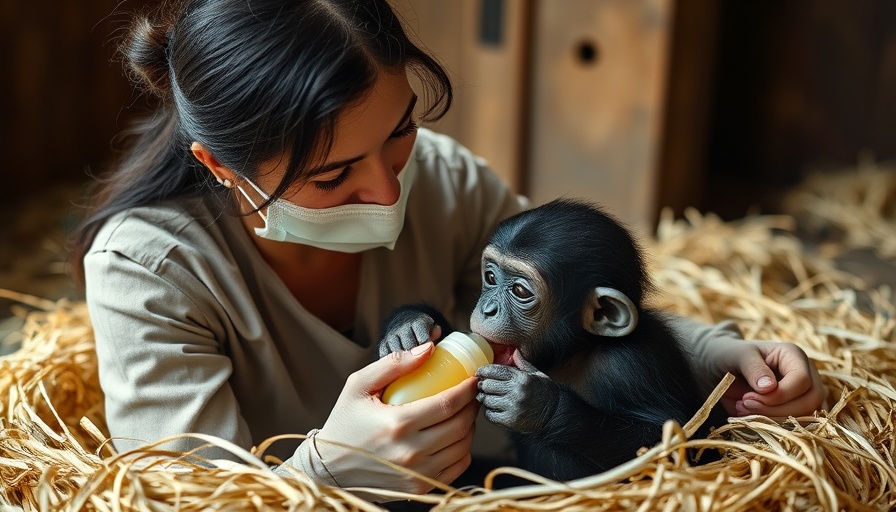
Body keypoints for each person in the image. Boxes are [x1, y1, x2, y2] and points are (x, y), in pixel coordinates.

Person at [70, 0, 826, 500]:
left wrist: (723, 354)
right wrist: (330, 471)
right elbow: (190, 497)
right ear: (219, 167)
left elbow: (580, 306)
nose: (388, 192)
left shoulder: (442, 178)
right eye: (333, 176)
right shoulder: (147, 271)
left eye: (400, 130)